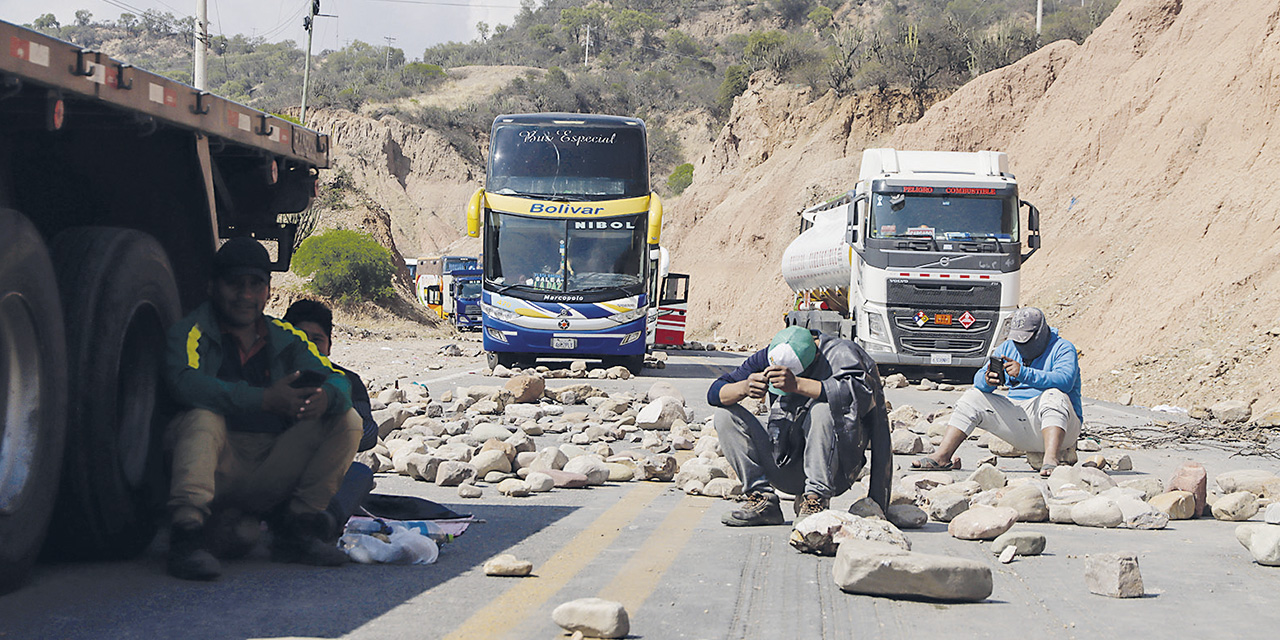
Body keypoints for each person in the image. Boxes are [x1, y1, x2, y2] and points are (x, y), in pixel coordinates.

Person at [163, 237, 362, 581]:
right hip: (215, 464)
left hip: (268, 464)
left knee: (347, 419)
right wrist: (264, 399)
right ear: (212, 287)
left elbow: (339, 380)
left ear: (269, 292)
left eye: (256, 285)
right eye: (234, 284)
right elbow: (184, 383)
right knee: (202, 416)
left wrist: (327, 397)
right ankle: (187, 533)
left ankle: (297, 530)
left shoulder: (286, 337)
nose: (245, 296)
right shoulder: (190, 332)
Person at [707, 326, 891, 527]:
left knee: (822, 409)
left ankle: (815, 500)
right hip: (785, 462)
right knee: (725, 414)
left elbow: (872, 414)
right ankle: (763, 501)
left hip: (835, 471)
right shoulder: (773, 354)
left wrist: (879, 499)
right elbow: (714, 392)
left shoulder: (842, 354)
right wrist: (742, 387)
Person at [913, 307, 1082, 478]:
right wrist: (987, 381)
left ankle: (1051, 459)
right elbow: (978, 380)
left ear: (1040, 333)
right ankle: (942, 456)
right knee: (972, 397)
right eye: (1017, 340)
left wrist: (1023, 373)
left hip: (1061, 428)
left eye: (1025, 340)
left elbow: (1065, 381)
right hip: (1019, 423)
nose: (1020, 345)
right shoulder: (1008, 347)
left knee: (1054, 395)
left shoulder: (1063, 348)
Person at [283, 299, 378, 539]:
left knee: (360, 474)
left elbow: (368, 432)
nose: (310, 348)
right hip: (276, 468)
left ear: (329, 345)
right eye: (301, 339)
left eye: (317, 340)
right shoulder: (271, 378)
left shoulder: (347, 380)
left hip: (326, 472)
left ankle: (324, 522)